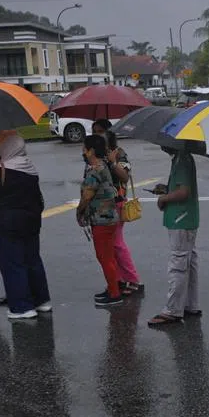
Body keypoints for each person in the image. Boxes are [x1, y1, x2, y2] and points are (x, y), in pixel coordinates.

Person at [0, 131, 51, 320]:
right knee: (33, 260)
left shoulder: (0, 170)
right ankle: (41, 300)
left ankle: (22, 306)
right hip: (31, 221)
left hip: (7, 222)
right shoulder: (28, 167)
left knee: (13, 263)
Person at [148, 147, 200, 326]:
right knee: (188, 260)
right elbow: (180, 188)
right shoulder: (181, 158)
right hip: (183, 219)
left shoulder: (182, 160)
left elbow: (184, 192)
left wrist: (164, 199)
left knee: (178, 263)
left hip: (181, 219)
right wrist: (166, 189)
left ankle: (173, 310)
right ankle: (189, 304)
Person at [92, 120, 142, 296]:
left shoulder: (118, 153)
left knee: (117, 244)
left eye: (101, 131)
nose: (97, 134)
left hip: (117, 202)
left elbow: (125, 177)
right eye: (94, 131)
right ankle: (118, 279)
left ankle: (133, 279)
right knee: (110, 246)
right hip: (101, 205)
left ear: (109, 133)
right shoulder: (96, 154)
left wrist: (112, 163)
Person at [77, 135, 124, 308]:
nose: (83, 152)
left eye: (84, 149)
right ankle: (112, 287)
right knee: (108, 256)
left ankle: (114, 293)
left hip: (102, 220)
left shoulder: (95, 169)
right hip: (109, 218)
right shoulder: (102, 166)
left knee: (104, 257)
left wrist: (79, 212)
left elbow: (87, 195)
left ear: (91, 151)